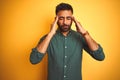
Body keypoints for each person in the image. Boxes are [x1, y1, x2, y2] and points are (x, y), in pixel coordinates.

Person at [30, 3, 105, 80]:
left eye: (68, 18)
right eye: (61, 18)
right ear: (56, 19)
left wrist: (85, 34)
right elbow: (34, 60)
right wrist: (50, 34)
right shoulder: (47, 39)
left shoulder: (80, 37)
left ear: (72, 19)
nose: (65, 22)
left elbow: (100, 56)